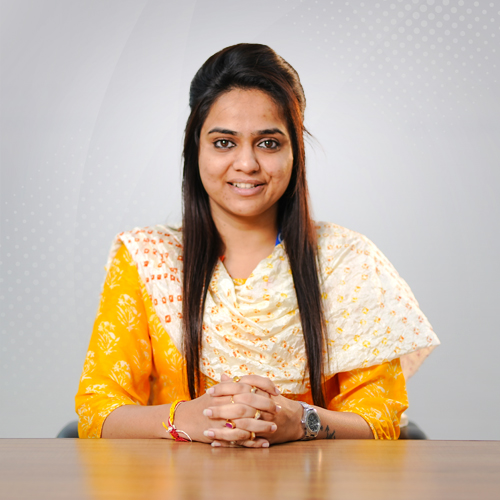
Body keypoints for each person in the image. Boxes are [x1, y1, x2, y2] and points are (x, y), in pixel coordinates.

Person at [75, 43, 440, 447]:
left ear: (295, 151)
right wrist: (182, 418)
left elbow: (382, 418)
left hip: (314, 478)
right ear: (195, 148)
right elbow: (97, 410)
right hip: (179, 479)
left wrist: (301, 421)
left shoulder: (347, 261)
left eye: (268, 143)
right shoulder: (148, 258)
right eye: (224, 142)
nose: (247, 164)